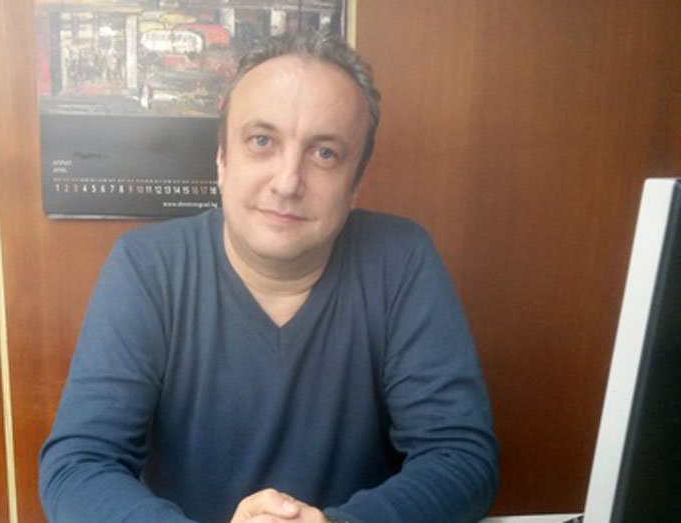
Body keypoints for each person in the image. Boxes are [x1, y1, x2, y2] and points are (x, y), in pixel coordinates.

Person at [39, 31, 499, 523]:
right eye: (262, 141)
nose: (287, 182)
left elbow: (460, 457)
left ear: (355, 185)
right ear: (222, 161)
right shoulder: (146, 268)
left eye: (325, 153)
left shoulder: (401, 260)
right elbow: (78, 466)